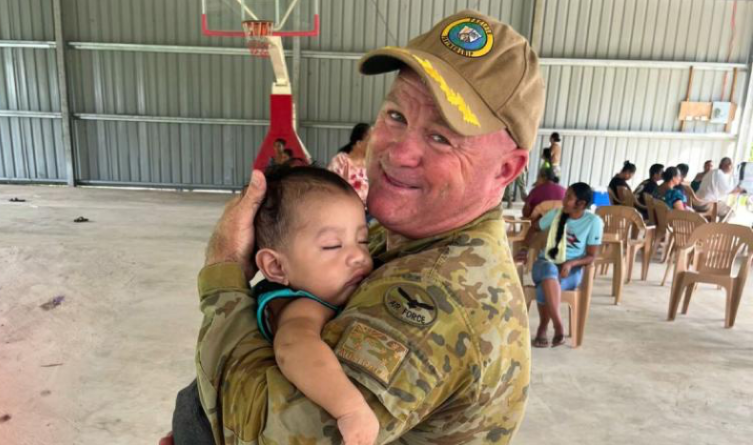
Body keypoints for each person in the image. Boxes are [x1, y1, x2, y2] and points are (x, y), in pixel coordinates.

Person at [165, 9, 545, 445]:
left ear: (506, 170)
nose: (399, 153)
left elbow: (258, 433)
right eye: (396, 116)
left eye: (441, 138)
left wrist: (223, 272)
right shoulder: (395, 232)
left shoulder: (436, 294)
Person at [251, 165, 378, 445]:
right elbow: (293, 348)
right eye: (333, 245)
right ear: (276, 266)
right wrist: (350, 410)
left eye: (363, 239)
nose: (357, 255)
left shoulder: (315, 286)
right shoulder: (301, 307)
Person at [531, 183, 603, 348]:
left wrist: (571, 263)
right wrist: (523, 248)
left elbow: (591, 256)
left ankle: (543, 327)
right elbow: (534, 228)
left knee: (545, 286)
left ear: (581, 204)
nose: (563, 200)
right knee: (549, 270)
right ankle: (558, 326)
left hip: (571, 270)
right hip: (545, 263)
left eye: (569, 197)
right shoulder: (556, 214)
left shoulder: (593, 222)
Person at [328, 123, 371, 204]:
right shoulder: (340, 161)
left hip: (367, 211)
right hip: (346, 209)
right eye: (370, 141)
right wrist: (344, 186)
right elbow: (329, 190)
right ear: (359, 144)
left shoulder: (371, 163)